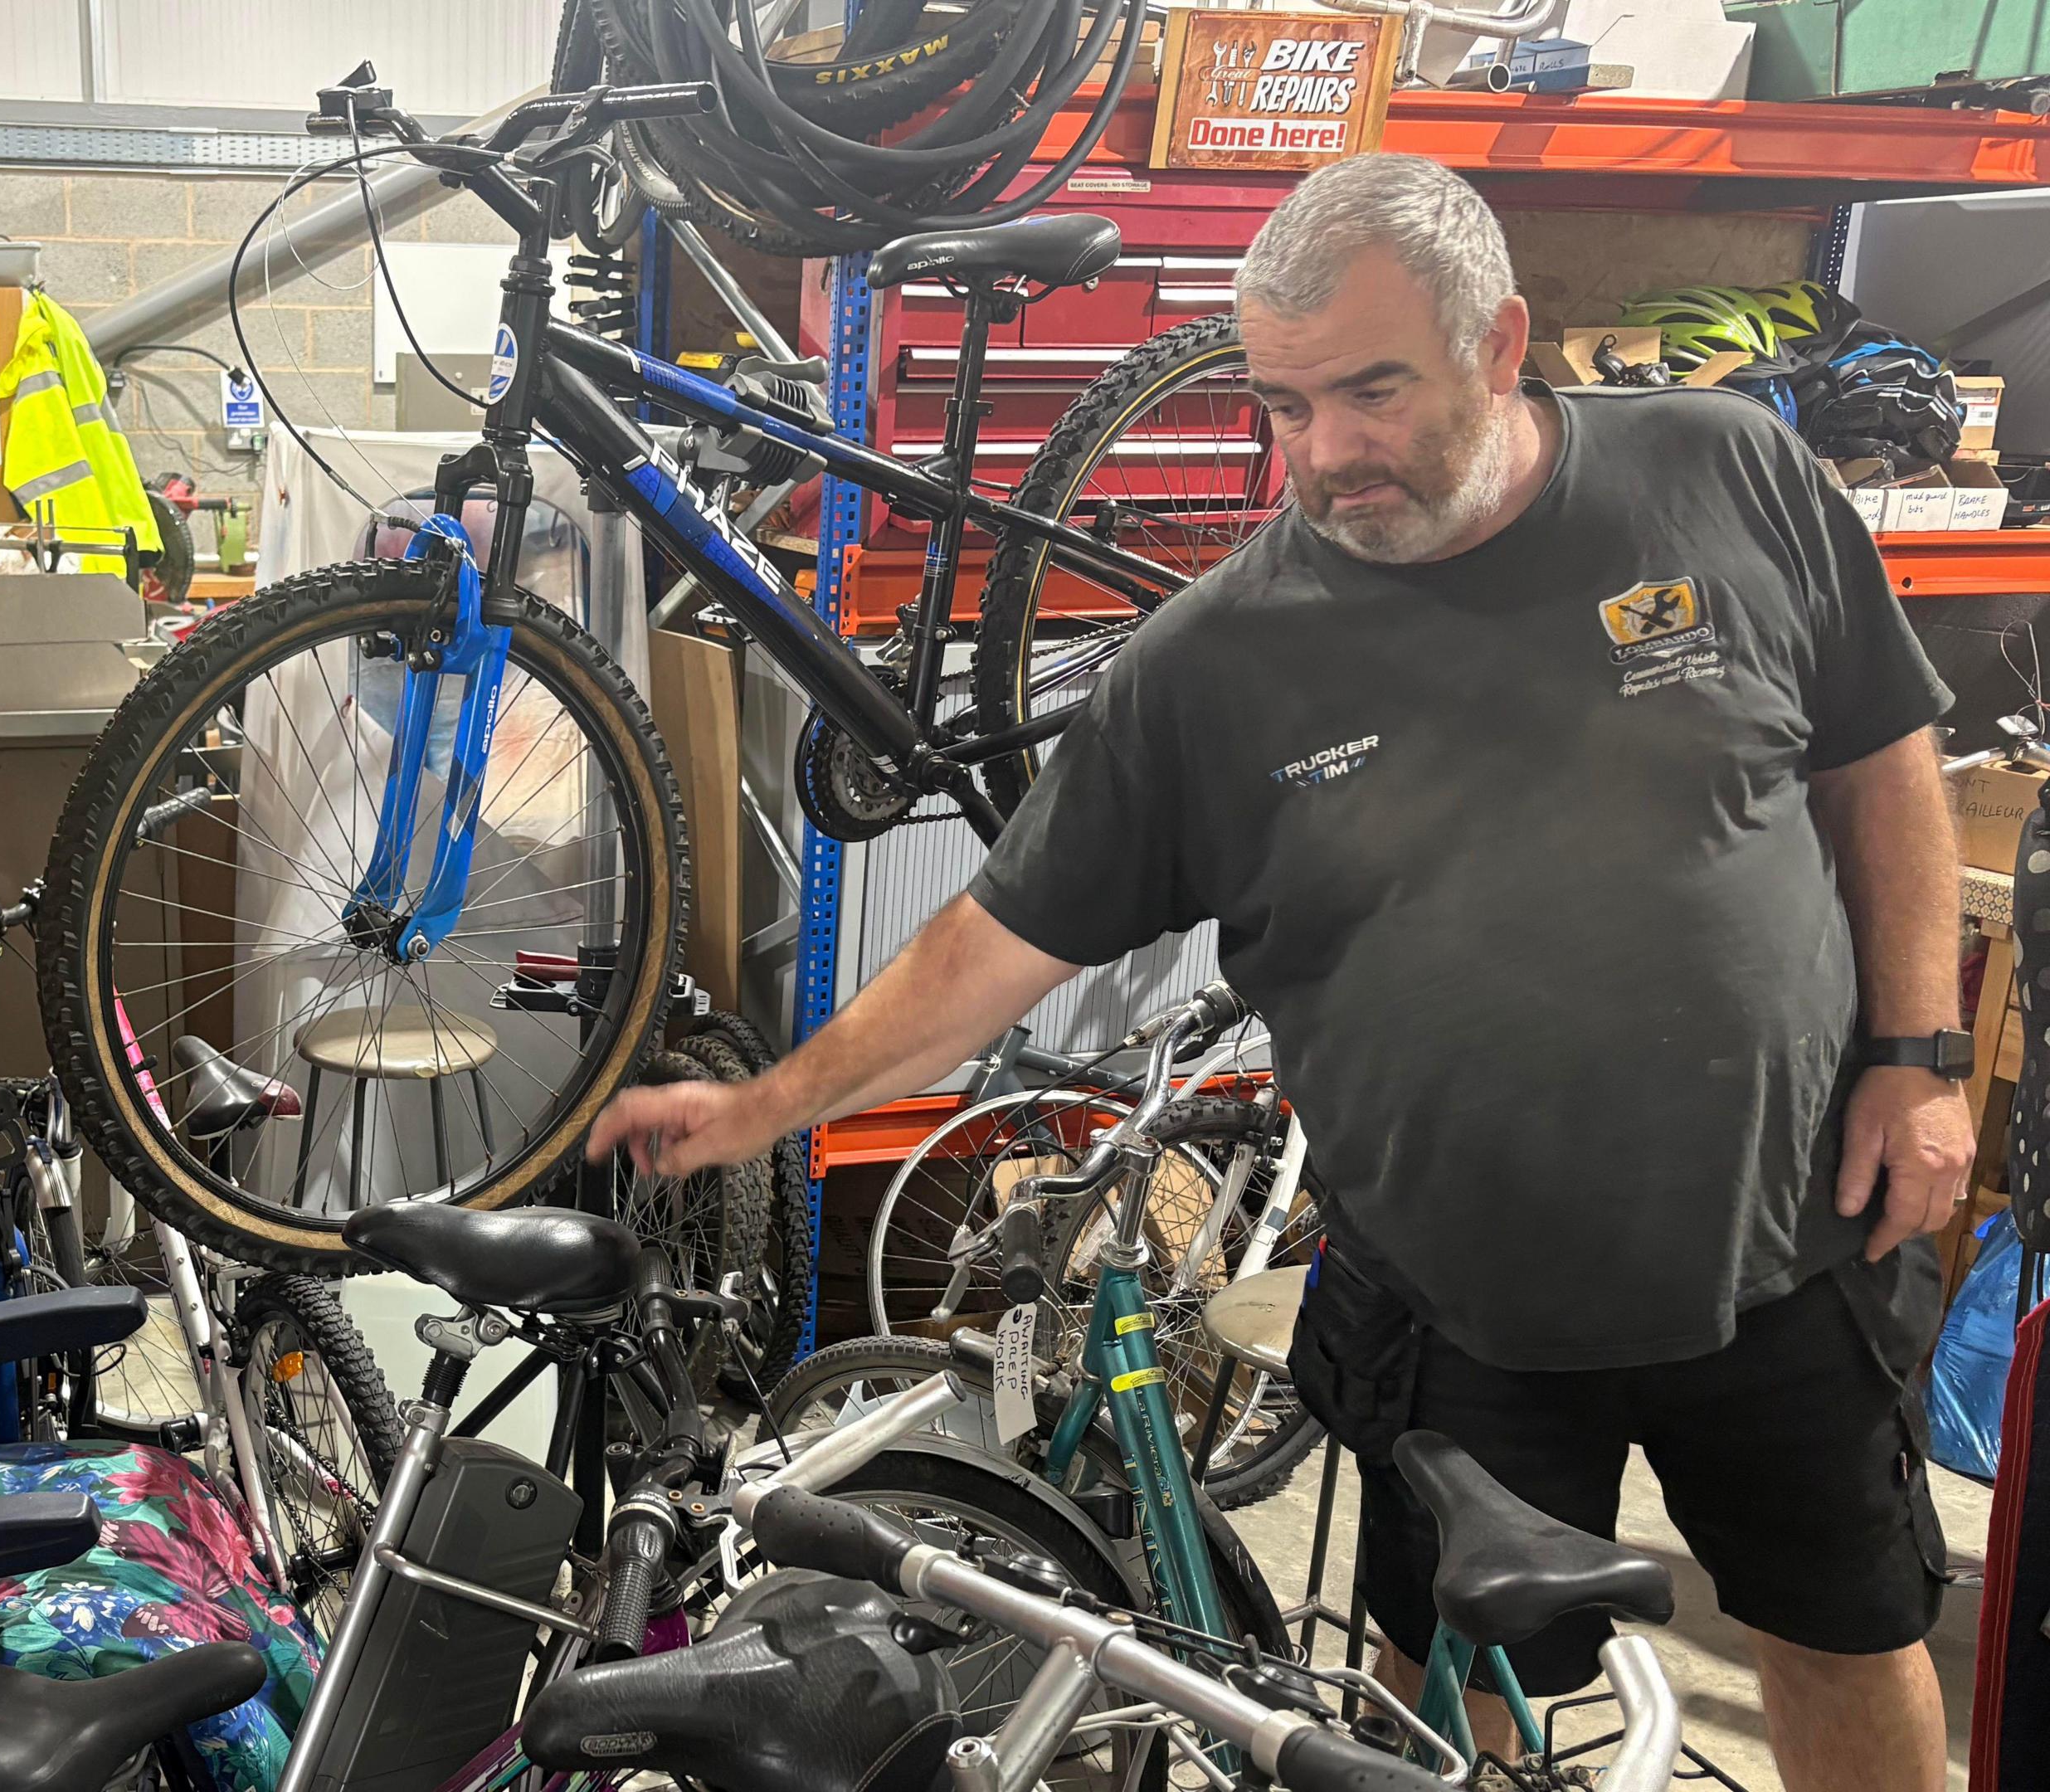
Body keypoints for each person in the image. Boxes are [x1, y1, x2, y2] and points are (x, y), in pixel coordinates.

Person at [589, 152, 1963, 1791]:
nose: (1322, 457)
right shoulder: (1216, 666)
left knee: (1845, 1645)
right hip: (1465, 1317)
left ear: (1501, 340)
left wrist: (1921, 1051)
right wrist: (771, 1104)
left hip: (1785, 1249)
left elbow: (1883, 760)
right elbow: (993, 947)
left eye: (1371, 394)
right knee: (1421, 1712)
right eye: (1283, 406)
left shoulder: (1726, 475)